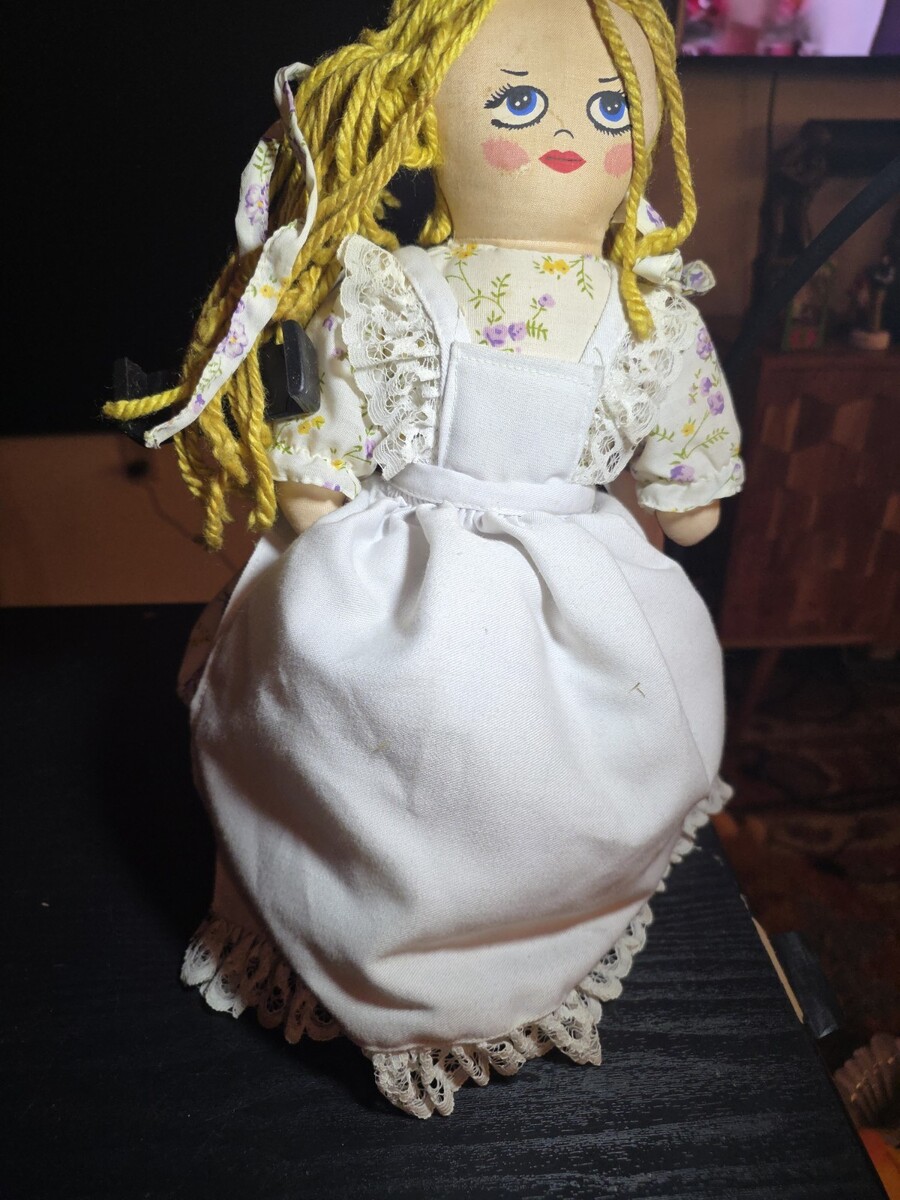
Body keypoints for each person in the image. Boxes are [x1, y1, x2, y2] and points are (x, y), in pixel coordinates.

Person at [106, 0, 745, 1118]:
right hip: (548, 572)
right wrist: (680, 501)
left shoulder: (426, 292)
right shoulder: (623, 310)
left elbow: (318, 478)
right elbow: (688, 503)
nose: (569, 134)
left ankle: (418, 921)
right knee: (523, 757)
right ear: (421, 122)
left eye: (610, 112)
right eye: (517, 102)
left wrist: (311, 489)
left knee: (358, 724)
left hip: (406, 557)